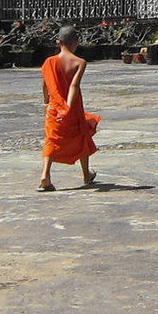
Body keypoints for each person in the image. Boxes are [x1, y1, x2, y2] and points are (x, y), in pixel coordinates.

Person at [39, 25, 99, 190]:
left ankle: (45, 176)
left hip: (54, 107)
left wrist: (47, 100)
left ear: (58, 42)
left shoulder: (49, 62)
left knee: (51, 139)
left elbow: (45, 85)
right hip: (72, 107)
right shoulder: (80, 62)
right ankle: (86, 175)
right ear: (76, 43)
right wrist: (68, 108)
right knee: (82, 135)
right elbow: (74, 86)